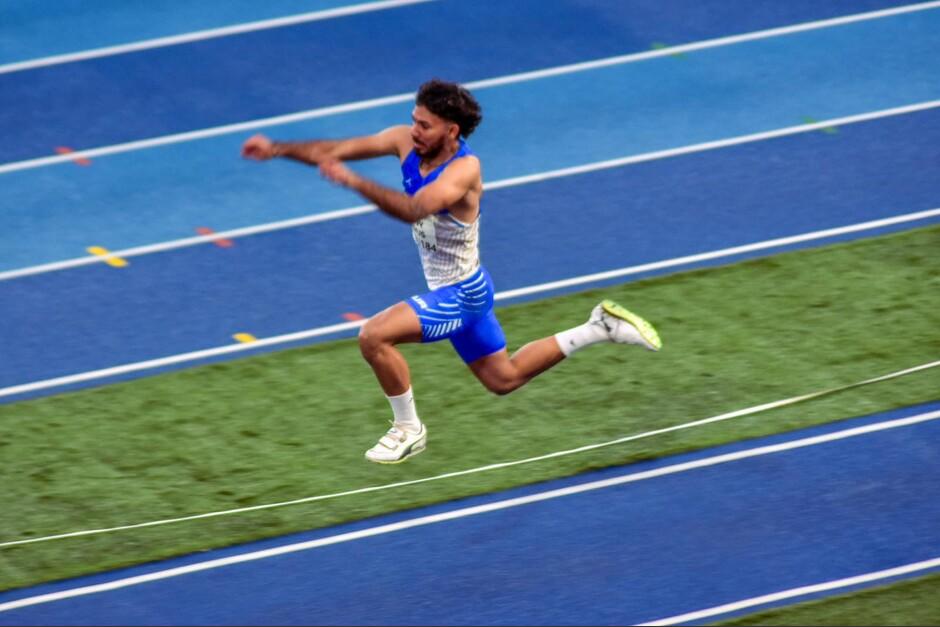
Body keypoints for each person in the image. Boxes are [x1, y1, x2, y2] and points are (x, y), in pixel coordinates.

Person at [241, 78, 662, 464]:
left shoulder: (464, 171)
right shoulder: (404, 142)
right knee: (503, 379)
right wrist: (277, 149)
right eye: (414, 121)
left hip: (461, 293)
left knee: (373, 336)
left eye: (425, 125)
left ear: (451, 131)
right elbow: (332, 149)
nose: (415, 131)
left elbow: (414, 209)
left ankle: (408, 428)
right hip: (463, 288)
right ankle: (598, 328)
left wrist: (352, 182)